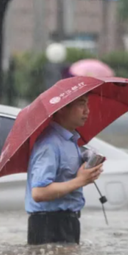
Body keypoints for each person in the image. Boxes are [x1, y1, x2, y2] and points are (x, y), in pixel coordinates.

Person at [25, 94, 103, 245]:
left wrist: (86, 170)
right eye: (81, 104)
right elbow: (39, 192)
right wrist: (80, 181)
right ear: (61, 109)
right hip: (48, 224)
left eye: (87, 104)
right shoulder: (49, 144)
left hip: (68, 221)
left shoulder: (71, 140)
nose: (87, 111)